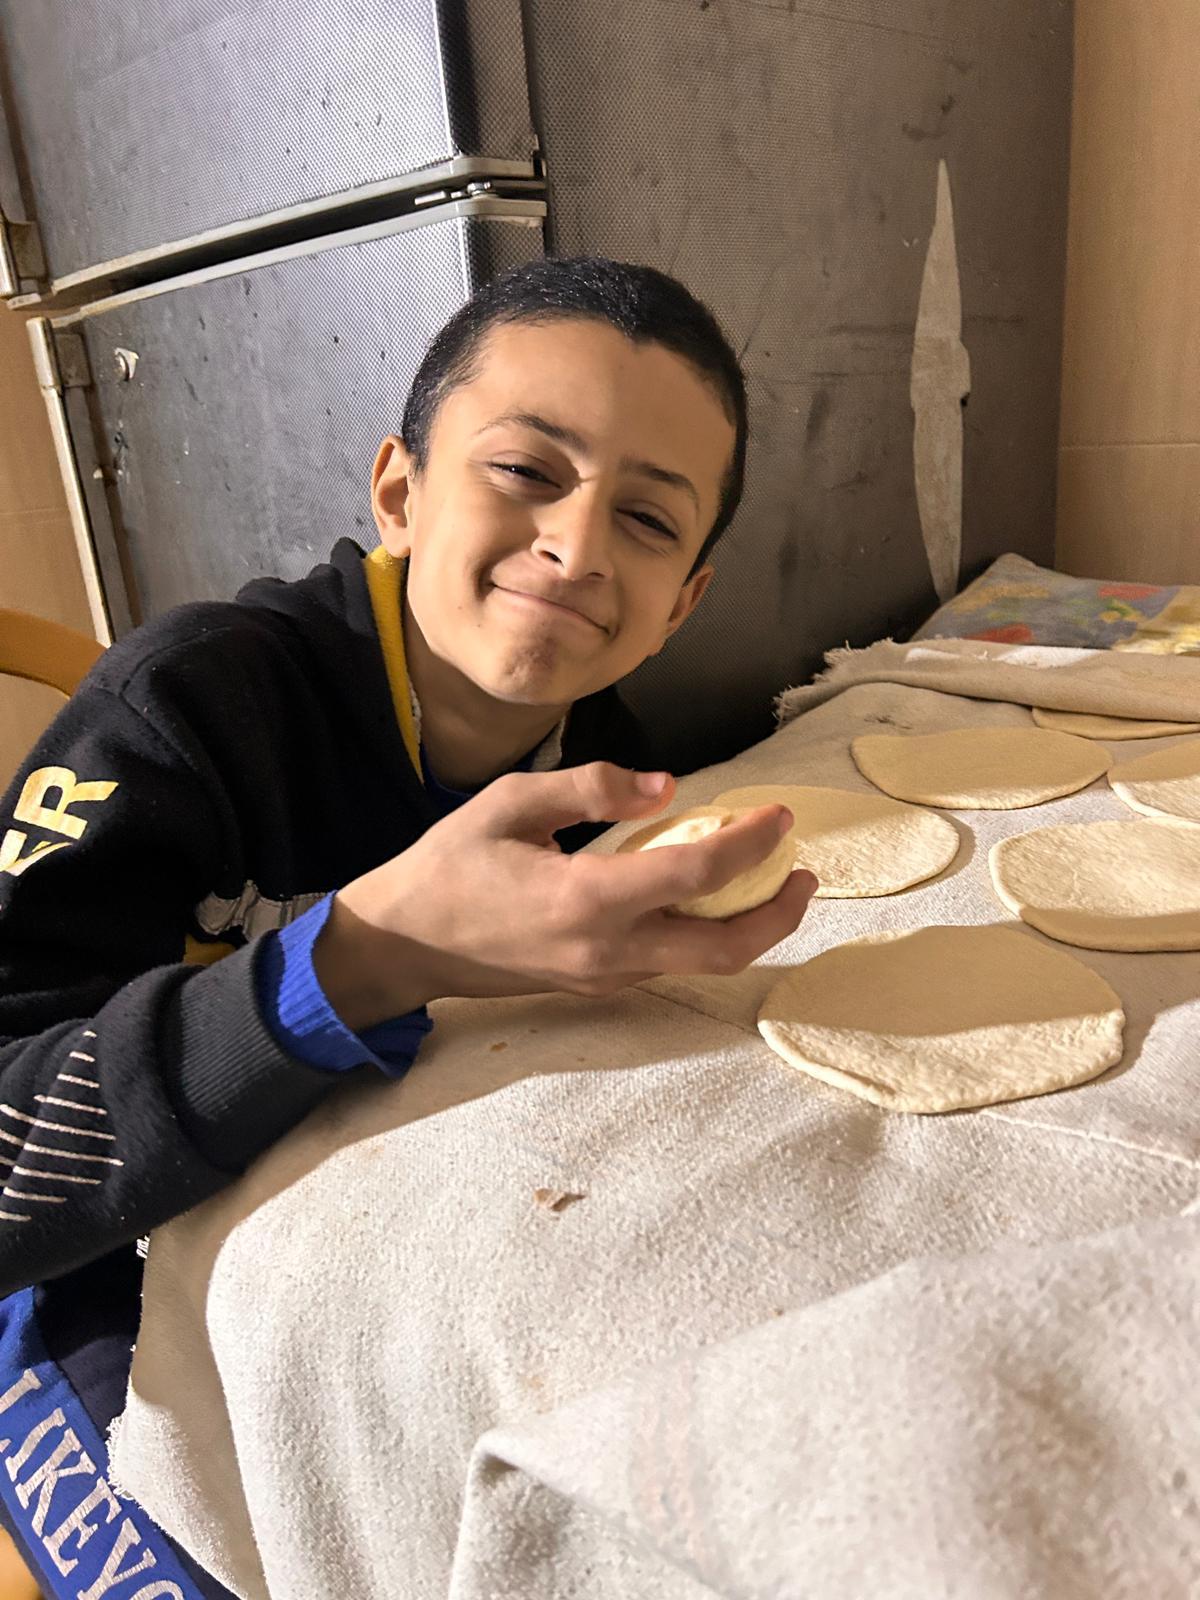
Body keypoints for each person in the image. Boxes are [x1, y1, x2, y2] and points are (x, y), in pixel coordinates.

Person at [0, 256, 817, 1593]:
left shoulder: (609, 769)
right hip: (94, 1281)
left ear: (683, 604)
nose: (577, 546)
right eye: (525, 471)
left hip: (372, 1288)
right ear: (399, 491)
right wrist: (353, 958)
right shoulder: (189, 710)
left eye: (650, 522)